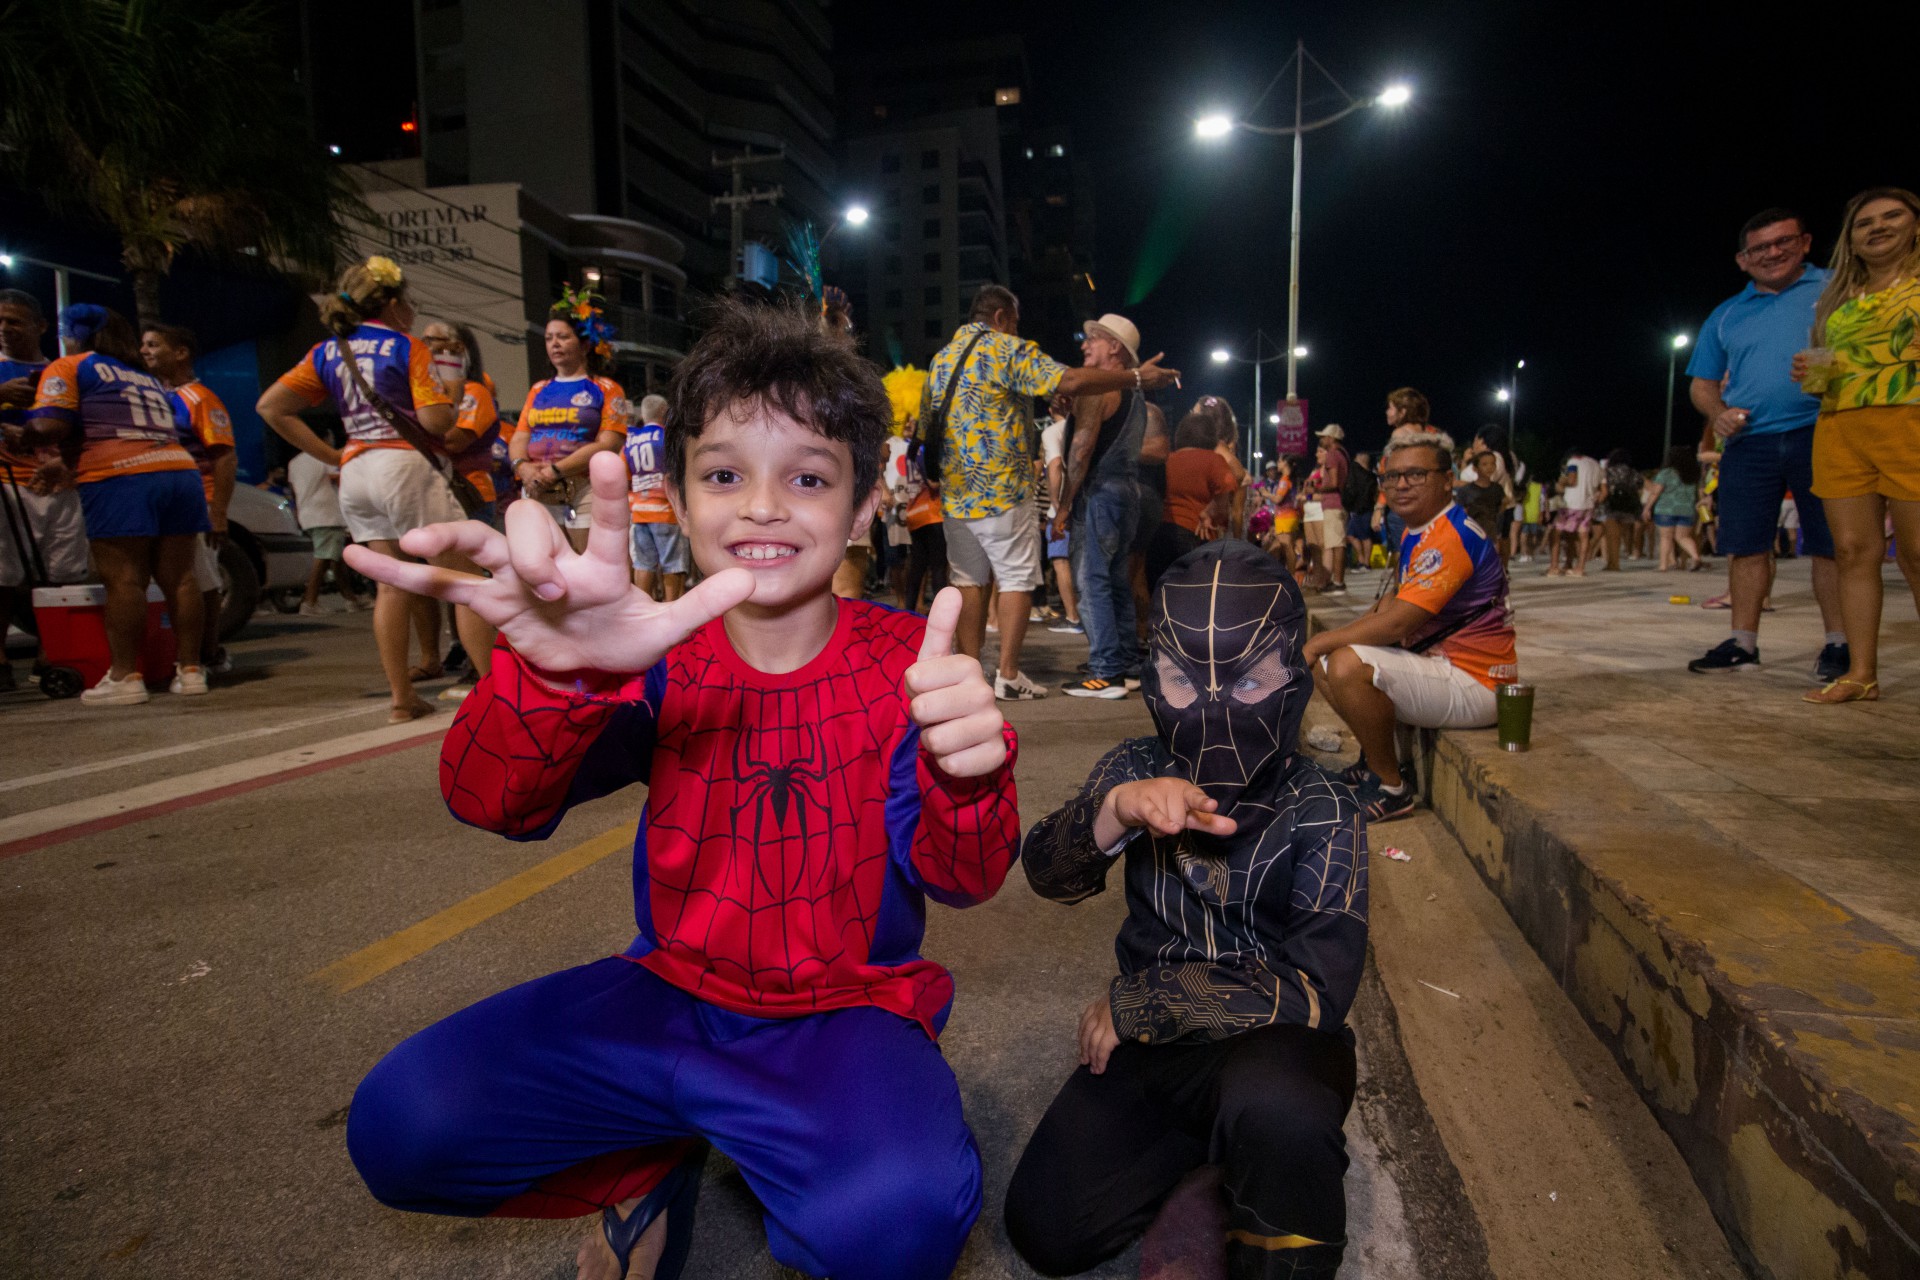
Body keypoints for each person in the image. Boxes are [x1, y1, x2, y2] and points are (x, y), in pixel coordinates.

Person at [339, 300, 1018, 1280]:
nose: (761, 506)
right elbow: (493, 801)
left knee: (893, 1221)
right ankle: (648, 1162)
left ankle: (759, 1142)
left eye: (810, 477)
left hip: (843, 1011)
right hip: (666, 994)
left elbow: (964, 875)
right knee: (405, 1123)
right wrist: (558, 675)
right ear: (683, 494)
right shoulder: (650, 649)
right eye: (726, 473)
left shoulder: (916, 662)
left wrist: (969, 771)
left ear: (867, 504)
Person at [1005, 541, 1365, 1280]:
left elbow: (1317, 992)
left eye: (1250, 680)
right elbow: (1046, 873)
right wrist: (1114, 814)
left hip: (1277, 1045)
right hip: (1158, 1051)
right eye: (1179, 678)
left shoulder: (1324, 807)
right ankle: (1219, 1172)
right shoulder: (1136, 767)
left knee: (1280, 1117)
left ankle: (1264, 1171)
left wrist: (1143, 1000)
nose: (1212, 708)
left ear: (1290, 677)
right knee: (1047, 1227)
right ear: (1152, 675)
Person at [256, 256, 489, 722]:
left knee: (391, 586)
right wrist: (451, 393)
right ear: (396, 303)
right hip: (405, 466)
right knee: (467, 583)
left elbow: (271, 406)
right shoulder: (406, 347)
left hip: (358, 470)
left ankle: (402, 699)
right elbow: (435, 422)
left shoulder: (328, 351)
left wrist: (332, 455)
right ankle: (496, 691)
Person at [929, 286, 1180, 702]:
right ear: (1002, 318)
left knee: (968, 581)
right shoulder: (1006, 349)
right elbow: (1069, 381)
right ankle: (1011, 674)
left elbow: (928, 424)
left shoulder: (941, 360)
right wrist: (1137, 376)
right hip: (1003, 489)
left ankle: (968, 671)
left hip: (957, 492)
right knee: (1022, 578)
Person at [1304, 432, 1516, 823]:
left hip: (1477, 679)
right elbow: (1390, 606)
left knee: (1347, 663)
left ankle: (1392, 788)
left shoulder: (1448, 537)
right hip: (1441, 664)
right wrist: (1327, 645)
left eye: (1417, 474)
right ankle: (1374, 758)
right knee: (1327, 662)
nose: (1401, 484)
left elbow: (1400, 622)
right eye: (1393, 477)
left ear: (1448, 479)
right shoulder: (1420, 530)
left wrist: (1320, 640)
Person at [13, 305, 209, 704]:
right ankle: (191, 671)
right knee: (182, 579)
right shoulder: (144, 376)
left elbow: (50, 426)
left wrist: (23, 434)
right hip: (177, 470)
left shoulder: (71, 366)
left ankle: (125, 677)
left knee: (124, 580)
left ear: (74, 335)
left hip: (120, 476)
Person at [1685, 208, 1846, 680]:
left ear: (1806, 242)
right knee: (1745, 545)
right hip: (1750, 442)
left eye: (1783, 242)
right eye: (1760, 248)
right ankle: (1743, 641)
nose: (1772, 253)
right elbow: (1702, 383)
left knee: (1830, 545)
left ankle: (1839, 642)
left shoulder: (1835, 289)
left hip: (1821, 430)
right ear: (1742, 259)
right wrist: (1718, 415)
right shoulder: (1727, 314)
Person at [1798, 187, 1920, 703]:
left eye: (1892, 216)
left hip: (1909, 422)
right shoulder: (1838, 298)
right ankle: (1861, 673)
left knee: (1917, 552)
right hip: (1841, 427)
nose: (1878, 227)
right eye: (1864, 222)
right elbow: (1826, 366)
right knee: (1851, 552)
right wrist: (1811, 373)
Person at [0, 289, 89, 690]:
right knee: (3, 577)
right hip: (6, 483)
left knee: (62, 576)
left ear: (39, 326)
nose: (4, 329)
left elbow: (84, 423)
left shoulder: (61, 371)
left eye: (13, 321)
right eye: (0, 321)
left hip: (59, 484)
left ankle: (52, 656)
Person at [142, 323, 236, 677]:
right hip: (166, 505)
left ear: (181, 353)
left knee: (202, 582)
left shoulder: (200, 398)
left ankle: (206, 655)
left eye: (153, 344)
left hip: (198, 504)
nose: (145, 351)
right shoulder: (152, 395)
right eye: (143, 344)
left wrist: (218, 512)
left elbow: (225, 457)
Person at [512, 286, 628, 553]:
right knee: (542, 564)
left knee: (589, 566)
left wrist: (555, 471)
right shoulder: (538, 389)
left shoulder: (607, 389)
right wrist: (522, 467)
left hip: (584, 488)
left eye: (563, 337)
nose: (554, 344)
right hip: (537, 485)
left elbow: (608, 443)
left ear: (585, 344)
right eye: (550, 338)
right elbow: (520, 436)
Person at [1147, 399, 1238, 589]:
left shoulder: (1166, 460)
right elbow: (1230, 482)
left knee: (1161, 589)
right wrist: (1212, 511)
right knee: (1194, 592)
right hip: (1195, 534)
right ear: (1211, 438)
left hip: (1159, 534)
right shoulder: (1213, 459)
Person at [286, 440, 367, 614]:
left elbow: (293, 490)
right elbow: (338, 478)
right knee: (323, 558)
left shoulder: (294, 462)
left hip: (307, 513)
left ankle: (350, 599)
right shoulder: (323, 456)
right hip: (327, 514)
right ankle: (309, 602)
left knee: (335, 559)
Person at [623, 393, 687, 602]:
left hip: (639, 511)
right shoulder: (667, 438)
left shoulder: (630, 442)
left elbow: (622, 474)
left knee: (642, 563)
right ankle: (670, 609)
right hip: (665, 510)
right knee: (673, 563)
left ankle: (641, 607)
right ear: (662, 412)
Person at [1372, 387, 1433, 553]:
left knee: (1405, 556)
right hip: (1429, 502)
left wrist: (1379, 508)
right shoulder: (1432, 434)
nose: (1387, 412)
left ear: (1403, 411)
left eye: (1390, 407)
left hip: (1406, 501)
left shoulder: (1400, 434)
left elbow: (1393, 474)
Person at [1040, 411, 1082, 634]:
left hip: (1063, 509)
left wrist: (1057, 504)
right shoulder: (1086, 425)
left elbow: (1055, 465)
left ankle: (1073, 617)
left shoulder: (1052, 432)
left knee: (1060, 561)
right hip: (1085, 504)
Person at [1302, 425, 1350, 594]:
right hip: (1337, 503)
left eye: (1324, 437)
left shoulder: (1332, 455)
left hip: (1333, 504)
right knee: (1333, 544)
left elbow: (1334, 482)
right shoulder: (1343, 454)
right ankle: (1333, 581)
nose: (1321, 440)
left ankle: (1338, 582)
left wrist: (1316, 489)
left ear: (1331, 438)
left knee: (1336, 544)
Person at [1642, 445, 1706, 571]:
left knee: (1665, 537)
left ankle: (1663, 565)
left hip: (1666, 509)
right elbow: (1700, 493)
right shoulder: (1694, 475)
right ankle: (1695, 556)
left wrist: (1647, 508)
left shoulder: (1666, 473)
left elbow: (1656, 492)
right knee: (1683, 537)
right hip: (1687, 510)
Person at [1547, 450, 1601, 577]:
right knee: (1583, 535)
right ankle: (1579, 568)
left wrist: (1560, 483)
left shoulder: (1573, 461)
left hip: (1572, 503)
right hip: (1588, 504)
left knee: (1555, 533)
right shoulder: (1595, 464)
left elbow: (1571, 480)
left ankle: (1554, 567)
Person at [1600, 448, 1643, 571]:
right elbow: (1639, 485)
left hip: (1612, 506)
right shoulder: (1632, 472)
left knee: (1612, 537)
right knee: (1620, 537)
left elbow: (1605, 489)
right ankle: (1614, 563)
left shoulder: (1608, 472)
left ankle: (1613, 564)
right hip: (1628, 508)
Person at [1454, 451, 1506, 534]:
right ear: (1475, 468)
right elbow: (1460, 514)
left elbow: (1500, 510)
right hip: (1472, 534)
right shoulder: (1466, 490)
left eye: (1492, 464)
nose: (1489, 467)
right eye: (1484, 464)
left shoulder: (1497, 489)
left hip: (1491, 534)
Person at [1344, 449, 1379, 571]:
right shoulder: (1372, 477)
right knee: (1351, 535)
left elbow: (1352, 489)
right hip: (1363, 508)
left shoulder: (1355, 471)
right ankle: (1362, 560)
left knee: (1364, 536)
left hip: (1362, 508)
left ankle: (1365, 563)